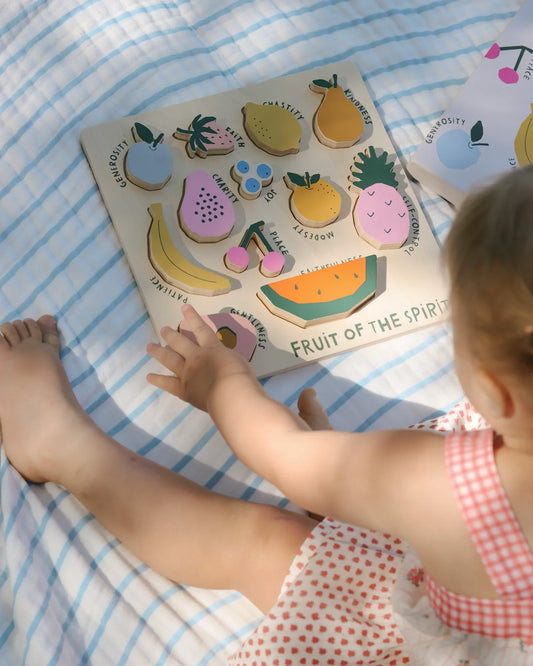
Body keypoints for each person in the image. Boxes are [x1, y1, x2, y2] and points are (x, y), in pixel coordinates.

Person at [1, 165, 533, 664]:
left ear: (494, 389)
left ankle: (56, 442)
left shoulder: (447, 488)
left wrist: (224, 383)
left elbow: (281, 454)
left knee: (258, 540)